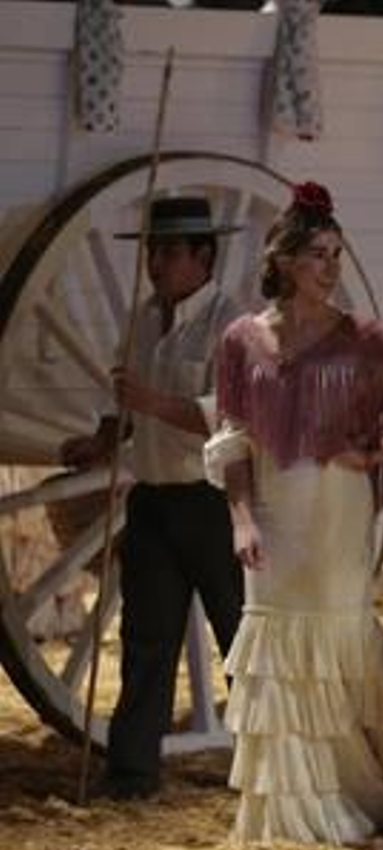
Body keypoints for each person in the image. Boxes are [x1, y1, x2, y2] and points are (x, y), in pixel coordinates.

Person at [204, 182, 383, 845]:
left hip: (339, 511)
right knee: (276, 652)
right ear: (281, 261)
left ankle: (361, 796)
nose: (331, 268)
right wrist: (242, 519)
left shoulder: (363, 338)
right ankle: (292, 814)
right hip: (274, 513)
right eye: (316, 255)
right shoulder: (239, 341)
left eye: (337, 254)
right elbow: (231, 440)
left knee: (338, 641)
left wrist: (381, 448)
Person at [61, 196, 244, 800]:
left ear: (203, 257)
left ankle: (268, 771)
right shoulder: (143, 319)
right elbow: (124, 411)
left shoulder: (232, 325)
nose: (156, 263)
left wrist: (149, 403)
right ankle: (133, 773)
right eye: (151, 250)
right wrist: (101, 442)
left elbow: (228, 418)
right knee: (146, 639)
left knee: (240, 641)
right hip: (154, 501)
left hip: (214, 502)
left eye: (168, 251)